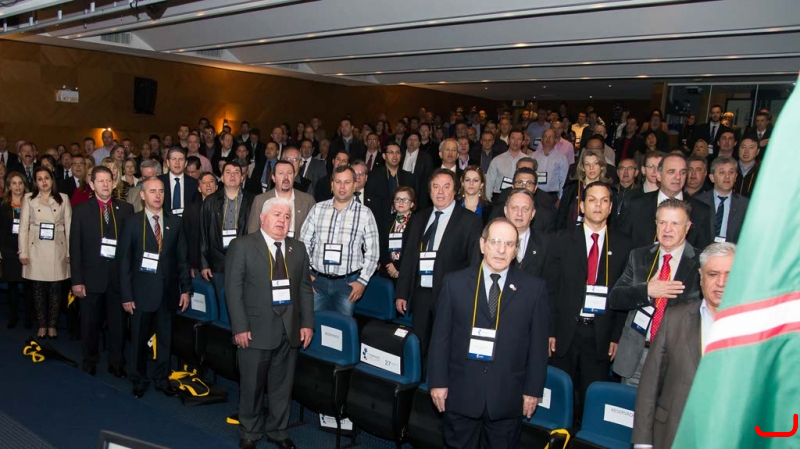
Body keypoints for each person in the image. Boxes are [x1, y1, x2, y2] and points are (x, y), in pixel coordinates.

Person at [427, 218, 550, 448]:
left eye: (509, 244)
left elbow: (538, 347)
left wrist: (533, 390)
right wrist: (437, 382)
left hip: (507, 397)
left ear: (516, 250)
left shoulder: (534, 289)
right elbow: (440, 338)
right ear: (483, 244)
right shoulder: (455, 283)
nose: (501, 250)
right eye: (495, 242)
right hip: (461, 393)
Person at [226, 197, 315, 449]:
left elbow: (304, 289)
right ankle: (250, 431)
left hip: (289, 329)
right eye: (277, 214)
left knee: (282, 387)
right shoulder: (242, 246)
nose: (282, 221)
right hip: (254, 330)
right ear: (263, 217)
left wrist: (307, 323)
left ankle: (278, 431)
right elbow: (233, 289)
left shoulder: (298, 249)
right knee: (252, 386)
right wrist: (239, 326)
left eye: (287, 217)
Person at [632, 242, 735, 449]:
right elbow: (649, 386)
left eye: (729, 275)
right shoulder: (674, 319)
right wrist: (642, 443)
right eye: (713, 274)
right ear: (701, 276)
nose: (721, 282)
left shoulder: (756, 328)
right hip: (673, 434)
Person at [545, 182, 633, 421]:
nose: (598, 205)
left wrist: (616, 336)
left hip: (600, 334)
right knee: (559, 397)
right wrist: (550, 330)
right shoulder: (561, 240)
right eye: (592, 200)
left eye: (604, 200)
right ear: (582, 206)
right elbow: (551, 289)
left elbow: (624, 294)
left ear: (611, 207)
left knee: (591, 399)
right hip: (565, 332)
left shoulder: (624, 245)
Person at [610, 199, 702, 386]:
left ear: (687, 227)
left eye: (675, 223)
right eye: (662, 222)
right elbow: (615, 298)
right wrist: (647, 290)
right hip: (637, 356)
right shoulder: (639, 256)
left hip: (676, 361)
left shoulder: (701, 263)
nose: (667, 229)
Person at [395, 169, 483, 359]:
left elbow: (474, 264)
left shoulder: (470, 221)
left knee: (444, 348)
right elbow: (408, 256)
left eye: (446, 186)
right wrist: (401, 292)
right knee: (419, 346)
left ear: (455, 190)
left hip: (450, 296)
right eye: (436, 187)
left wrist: (467, 299)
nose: (440, 191)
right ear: (430, 191)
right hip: (421, 293)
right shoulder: (419, 218)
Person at [118, 177, 192, 399]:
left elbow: (182, 259)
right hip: (141, 292)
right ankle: (139, 379)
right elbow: (124, 262)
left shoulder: (175, 223)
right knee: (139, 340)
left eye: (161, 191)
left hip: (168, 292)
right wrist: (126, 295)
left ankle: (161, 379)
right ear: (142, 195)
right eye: (152, 191)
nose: (158, 195)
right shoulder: (132, 223)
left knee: (165, 340)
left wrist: (186, 289)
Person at [69, 166, 134, 376]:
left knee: (118, 325)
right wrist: (76, 280)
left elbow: (130, 247)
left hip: (117, 279)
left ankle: (117, 362)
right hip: (90, 279)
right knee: (89, 324)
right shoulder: (80, 210)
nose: (105, 185)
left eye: (109, 180)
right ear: (92, 184)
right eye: (101, 181)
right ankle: (90, 358)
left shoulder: (126, 209)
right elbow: (75, 247)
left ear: (114, 183)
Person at [299, 166, 379, 316]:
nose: (342, 187)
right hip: (317, 282)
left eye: (347, 182)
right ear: (332, 185)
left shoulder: (365, 214)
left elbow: (373, 252)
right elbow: (303, 243)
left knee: (341, 327)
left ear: (355, 185)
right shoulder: (317, 209)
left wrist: (362, 281)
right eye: (338, 182)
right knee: (315, 324)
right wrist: (305, 275)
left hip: (348, 284)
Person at [19, 166, 72, 339]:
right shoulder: (28, 199)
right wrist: (23, 251)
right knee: (38, 290)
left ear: (52, 180)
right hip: (35, 248)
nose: (44, 182)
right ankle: (42, 325)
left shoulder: (63, 198)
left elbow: (69, 227)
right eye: (40, 179)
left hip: (57, 248)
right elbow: (23, 227)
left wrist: (70, 252)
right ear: (36, 182)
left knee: (56, 290)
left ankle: (52, 325)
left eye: (46, 178)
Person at [620, 153, 712, 250]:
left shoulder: (701, 211)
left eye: (682, 172)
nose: (678, 177)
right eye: (671, 171)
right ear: (659, 175)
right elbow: (623, 242)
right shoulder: (636, 205)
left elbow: (703, 251)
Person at [201, 160, 255, 296]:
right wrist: (204, 264)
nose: (232, 175)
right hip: (217, 261)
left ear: (242, 178)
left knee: (240, 300)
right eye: (228, 172)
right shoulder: (210, 201)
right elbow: (203, 233)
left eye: (237, 172)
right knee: (219, 299)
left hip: (243, 261)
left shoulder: (253, 200)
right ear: (222, 177)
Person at [248, 160, 315, 239]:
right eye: (281, 173)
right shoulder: (260, 200)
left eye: (289, 173)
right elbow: (252, 233)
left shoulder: (308, 201)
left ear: (294, 176)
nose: (286, 177)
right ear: (273, 178)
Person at [696, 157, 749, 244]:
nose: (727, 176)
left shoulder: (745, 205)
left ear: (736, 177)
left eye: (731, 172)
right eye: (722, 172)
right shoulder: (698, 202)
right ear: (712, 178)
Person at [1, 172, 30, 328]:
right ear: (9, 186)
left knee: (28, 285)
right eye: (14, 183)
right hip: (9, 249)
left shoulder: (31, 203)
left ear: (24, 185)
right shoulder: (3, 205)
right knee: (12, 285)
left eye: (20, 183)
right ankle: (13, 316)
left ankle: (29, 318)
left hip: (27, 248)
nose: (17, 186)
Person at [556, 148, 613, 229]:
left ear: (602, 167)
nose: (591, 167)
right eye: (587, 164)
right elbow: (561, 217)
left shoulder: (608, 191)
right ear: (582, 168)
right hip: (571, 233)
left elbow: (612, 221)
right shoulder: (571, 189)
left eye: (595, 163)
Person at [504, 188, 549, 278]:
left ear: (532, 214)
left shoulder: (546, 243)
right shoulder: (492, 240)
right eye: (514, 208)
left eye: (525, 209)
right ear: (506, 211)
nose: (519, 213)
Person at [383, 186, 415, 280]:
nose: (401, 202)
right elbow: (381, 245)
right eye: (397, 199)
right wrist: (389, 265)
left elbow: (413, 250)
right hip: (388, 270)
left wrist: (398, 267)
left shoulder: (417, 223)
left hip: (407, 271)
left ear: (412, 204)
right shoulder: (387, 221)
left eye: (405, 200)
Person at [485, 131, 527, 201]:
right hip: (499, 197)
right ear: (508, 140)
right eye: (513, 138)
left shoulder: (527, 161)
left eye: (519, 139)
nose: (516, 141)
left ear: (522, 142)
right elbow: (489, 182)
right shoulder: (497, 160)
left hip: (521, 196)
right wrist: (488, 201)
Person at [158, 147, 199, 217]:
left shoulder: (194, 183)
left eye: (181, 159)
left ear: (185, 163)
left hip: (187, 220)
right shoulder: (159, 181)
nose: (177, 162)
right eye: (173, 159)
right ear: (168, 162)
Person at [531, 128, 569, 203]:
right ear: (541, 139)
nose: (548, 139)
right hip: (535, 194)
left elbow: (563, 180)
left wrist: (560, 198)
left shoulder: (561, 158)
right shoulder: (533, 156)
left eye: (551, 137)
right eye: (546, 136)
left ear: (555, 140)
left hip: (552, 196)